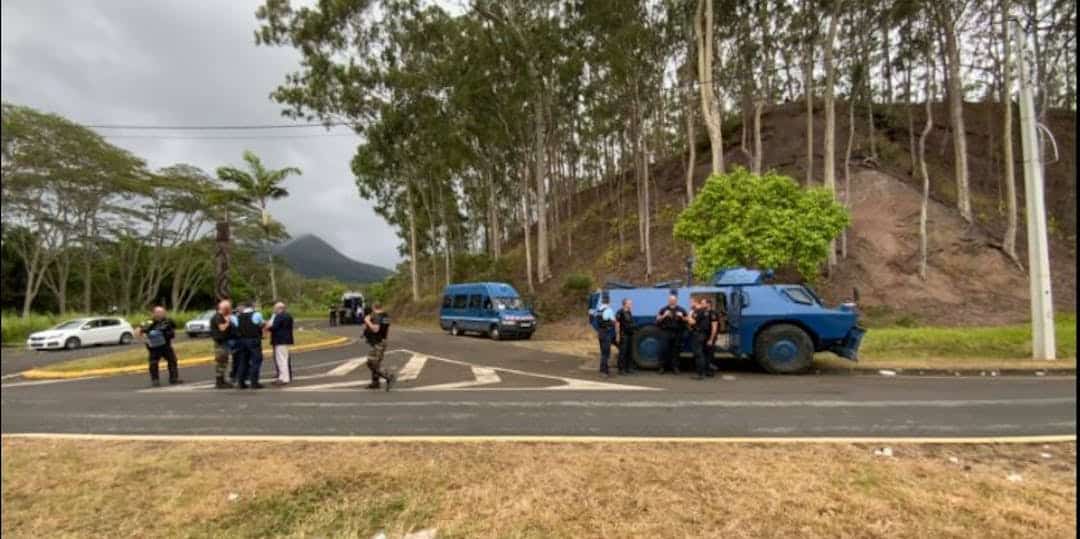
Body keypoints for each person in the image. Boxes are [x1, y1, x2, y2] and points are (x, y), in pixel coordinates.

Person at [136, 306, 182, 387]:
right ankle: (155, 380)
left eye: (162, 312)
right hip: (154, 347)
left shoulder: (168, 321)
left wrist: (171, 333)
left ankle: (174, 378)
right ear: (154, 313)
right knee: (153, 363)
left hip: (166, 345)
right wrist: (145, 339)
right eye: (158, 313)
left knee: (172, 360)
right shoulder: (149, 322)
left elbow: (174, 329)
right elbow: (137, 331)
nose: (160, 314)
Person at [230, 301, 266, 389]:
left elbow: (235, 326)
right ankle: (254, 382)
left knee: (243, 362)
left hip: (242, 341)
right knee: (256, 361)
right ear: (251, 307)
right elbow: (261, 324)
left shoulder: (237, 317)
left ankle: (241, 382)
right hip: (253, 340)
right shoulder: (256, 315)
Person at [363, 302, 395, 391]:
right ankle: (375, 382)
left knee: (372, 362)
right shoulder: (386, 316)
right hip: (382, 341)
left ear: (374, 308)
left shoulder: (377, 316)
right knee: (374, 362)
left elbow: (376, 329)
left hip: (378, 343)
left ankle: (389, 377)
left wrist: (367, 320)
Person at [656, 293, 688, 374]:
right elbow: (657, 320)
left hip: (677, 332)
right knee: (664, 350)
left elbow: (688, 320)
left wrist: (682, 317)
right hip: (666, 332)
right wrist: (664, 315)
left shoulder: (681, 309)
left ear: (676, 301)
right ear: (668, 300)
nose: (672, 301)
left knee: (676, 351)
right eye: (671, 300)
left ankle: (675, 368)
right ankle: (662, 367)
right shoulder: (663, 309)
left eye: (674, 300)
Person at [268, 302, 294, 386]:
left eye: (275, 308)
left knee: (282, 359)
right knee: (283, 359)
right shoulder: (288, 315)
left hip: (280, 340)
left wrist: (268, 327)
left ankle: (284, 378)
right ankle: (282, 377)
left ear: (280, 308)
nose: (274, 310)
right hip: (285, 339)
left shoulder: (279, 316)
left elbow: (274, 327)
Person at [209, 299, 234, 389]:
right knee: (221, 361)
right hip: (220, 343)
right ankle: (219, 382)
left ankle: (222, 380)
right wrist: (228, 321)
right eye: (229, 308)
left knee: (224, 362)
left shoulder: (221, 316)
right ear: (225, 308)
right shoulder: (218, 317)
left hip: (224, 342)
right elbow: (222, 328)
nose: (230, 310)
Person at [688, 297, 712, 380]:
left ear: (695, 302)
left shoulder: (698, 311)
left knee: (698, 354)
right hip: (703, 334)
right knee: (701, 353)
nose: (690, 304)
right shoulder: (705, 311)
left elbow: (692, 322)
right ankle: (703, 372)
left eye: (691, 302)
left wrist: (689, 315)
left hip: (698, 334)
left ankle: (700, 374)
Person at [594, 295, 616, 377]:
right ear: (609, 302)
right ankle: (604, 372)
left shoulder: (599, 309)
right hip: (606, 333)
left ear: (602, 301)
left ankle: (604, 369)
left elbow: (597, 320)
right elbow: (613, 321)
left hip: (600, 333)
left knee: (603, 352)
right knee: (606, 353)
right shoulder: (609, 310)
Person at [614, 298, 636, 375]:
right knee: (623, 352)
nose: (631, 304)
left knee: (629, 352)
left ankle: (628, 368)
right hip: (623, 335)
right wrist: (617, 335)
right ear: (625, 304)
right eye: (630, 303)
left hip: (630, 334)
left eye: (631, 303)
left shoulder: (629, 312)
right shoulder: (620, 312)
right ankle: (621, 369)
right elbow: (617, 324)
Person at [704, 298, 721, 376]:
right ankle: (707, 369)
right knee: (707, 353)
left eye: (704, 303)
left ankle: (711, 371)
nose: (702, 304)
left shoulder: (713, 313)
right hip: (706, 336)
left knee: (710, 354)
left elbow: (714, 328)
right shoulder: (706, 312)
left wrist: (711, 339)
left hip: (711, 336)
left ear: (708, 304)